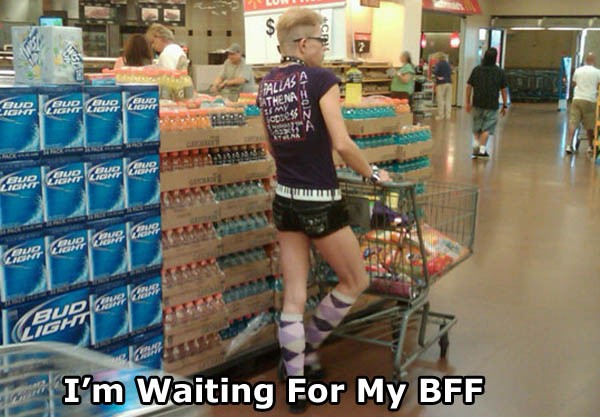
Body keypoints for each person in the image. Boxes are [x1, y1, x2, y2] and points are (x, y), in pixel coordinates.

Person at [256, 7, 390, 414]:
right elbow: (343, 143)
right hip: (320, 200)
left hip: (285, 198)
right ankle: (310, 345)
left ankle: (296, 380)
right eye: (321, 41)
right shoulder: (321, 80)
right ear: (303, 44)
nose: (324, 50)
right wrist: (372, 174)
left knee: (294, 295)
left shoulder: (266, 84)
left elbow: (268, 146)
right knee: (355, 279)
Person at [465, 48, 508, 159]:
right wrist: (504, 105)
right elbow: (504, 90)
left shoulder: (477, 70)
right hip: (491, 104)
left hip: (477, 102)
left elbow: (469, 86)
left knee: (477, 127)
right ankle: (482, 151)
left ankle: (475, 148)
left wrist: (467, 102)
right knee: (487, 128)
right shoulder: (499, 72)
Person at [565, 53, 600, 155]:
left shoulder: (578, 70)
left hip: (577, 99)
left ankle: (569, 145)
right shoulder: (597, 72)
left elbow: (574, 83)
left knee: (573, 122)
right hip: (590, 100)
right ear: (594, 61)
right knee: (590, 124)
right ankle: (590, 146)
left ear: (585, 60)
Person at [433, 53, 453, 120]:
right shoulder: (448, 64)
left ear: (439, 58)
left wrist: (436, 77)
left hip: (441, 83)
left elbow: (435, 72)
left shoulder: (438, 64)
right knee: (448, 100)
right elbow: (451, 72)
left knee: (440, 99)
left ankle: (441, 115)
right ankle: (448, 115)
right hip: (449, 83)